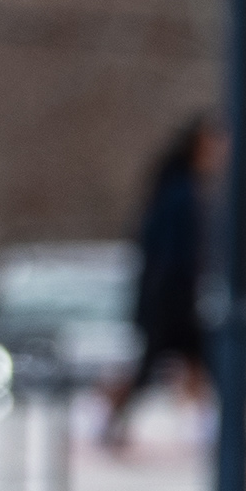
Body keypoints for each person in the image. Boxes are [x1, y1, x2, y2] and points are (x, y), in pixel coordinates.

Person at [103, 113, 219, 450]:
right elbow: (168, 250)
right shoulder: (179, 192)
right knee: (152, 367)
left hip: (173, 292)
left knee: (197, 361)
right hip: (169, 295)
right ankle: (109, 416)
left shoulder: (180, 188)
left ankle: (214, 428)